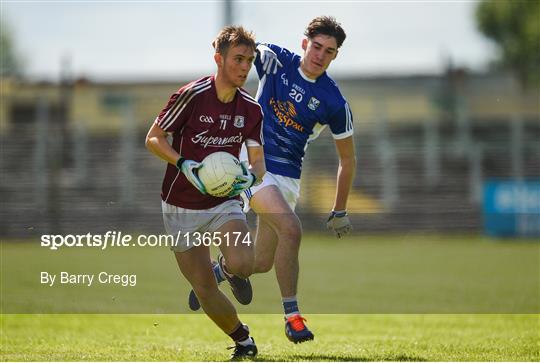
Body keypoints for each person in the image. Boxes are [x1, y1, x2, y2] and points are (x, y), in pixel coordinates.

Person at [189, 16, 356, 344]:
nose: (320, 55)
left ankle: (221, 271)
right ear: (305, 43)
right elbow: (242, 50)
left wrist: (339, 210)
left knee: (259, 263)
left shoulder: (335, 102)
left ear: (336, 56)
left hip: (288, 179)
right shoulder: (275, 59)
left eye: (330, 51)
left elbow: (348, 159)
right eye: (317, 46)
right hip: (252, 164)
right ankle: (292, 317)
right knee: (291, 228)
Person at [145, 25, 266, 359]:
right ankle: (243, 340)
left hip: (224, 201)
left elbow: (258, 164)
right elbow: (153, 138)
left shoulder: (251, 109)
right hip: (179, 204)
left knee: (244, 261)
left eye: (249, 60)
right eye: (238, 59)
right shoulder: (192, 95)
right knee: (203, 287)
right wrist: (185, 165)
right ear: (219, 59)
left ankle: (229, 269)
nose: (244, 66)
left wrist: (248, 179)